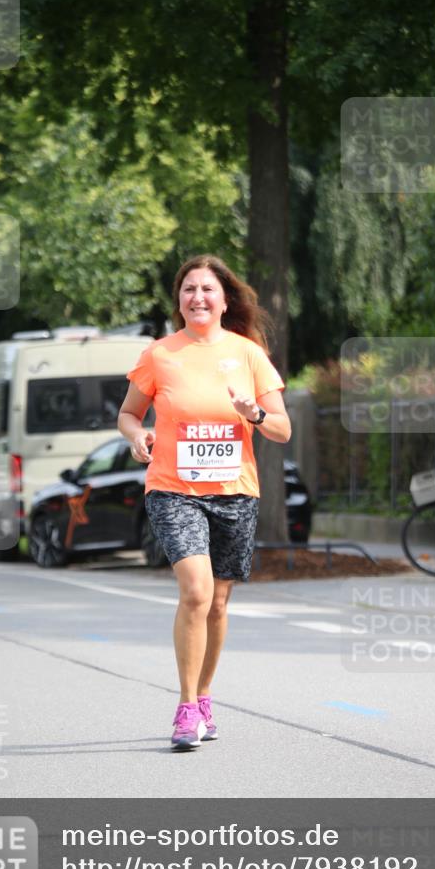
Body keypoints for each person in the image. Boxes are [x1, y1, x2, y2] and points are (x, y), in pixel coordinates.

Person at [117, 254, 291, 751]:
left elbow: (281, 429)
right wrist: (137, 434)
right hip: (174, 489)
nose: (197, 297)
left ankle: (206, 694)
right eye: (189, 289)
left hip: (235, 491)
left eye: (207, 289)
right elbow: (129, 412)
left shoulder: (248, 354)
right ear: (179, 299)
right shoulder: (160, 354)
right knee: (195, 591)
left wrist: (252, 412)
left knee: (217, 602)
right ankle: (186, 707)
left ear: (224, 299)